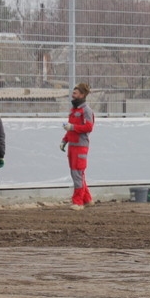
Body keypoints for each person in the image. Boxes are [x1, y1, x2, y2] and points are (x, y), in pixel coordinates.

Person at [61, 82, 95, 210]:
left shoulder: (86, 110)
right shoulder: (74, 110)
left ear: (82, 95)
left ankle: (78, 202)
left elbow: (89, 127)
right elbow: (70, 128)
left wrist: (72, 127)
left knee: (77, 174)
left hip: (80, 146)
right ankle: (87, 199)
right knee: (78, 174)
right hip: (72, 146)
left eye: (75, 93)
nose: (72, 95)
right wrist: (64, 140)